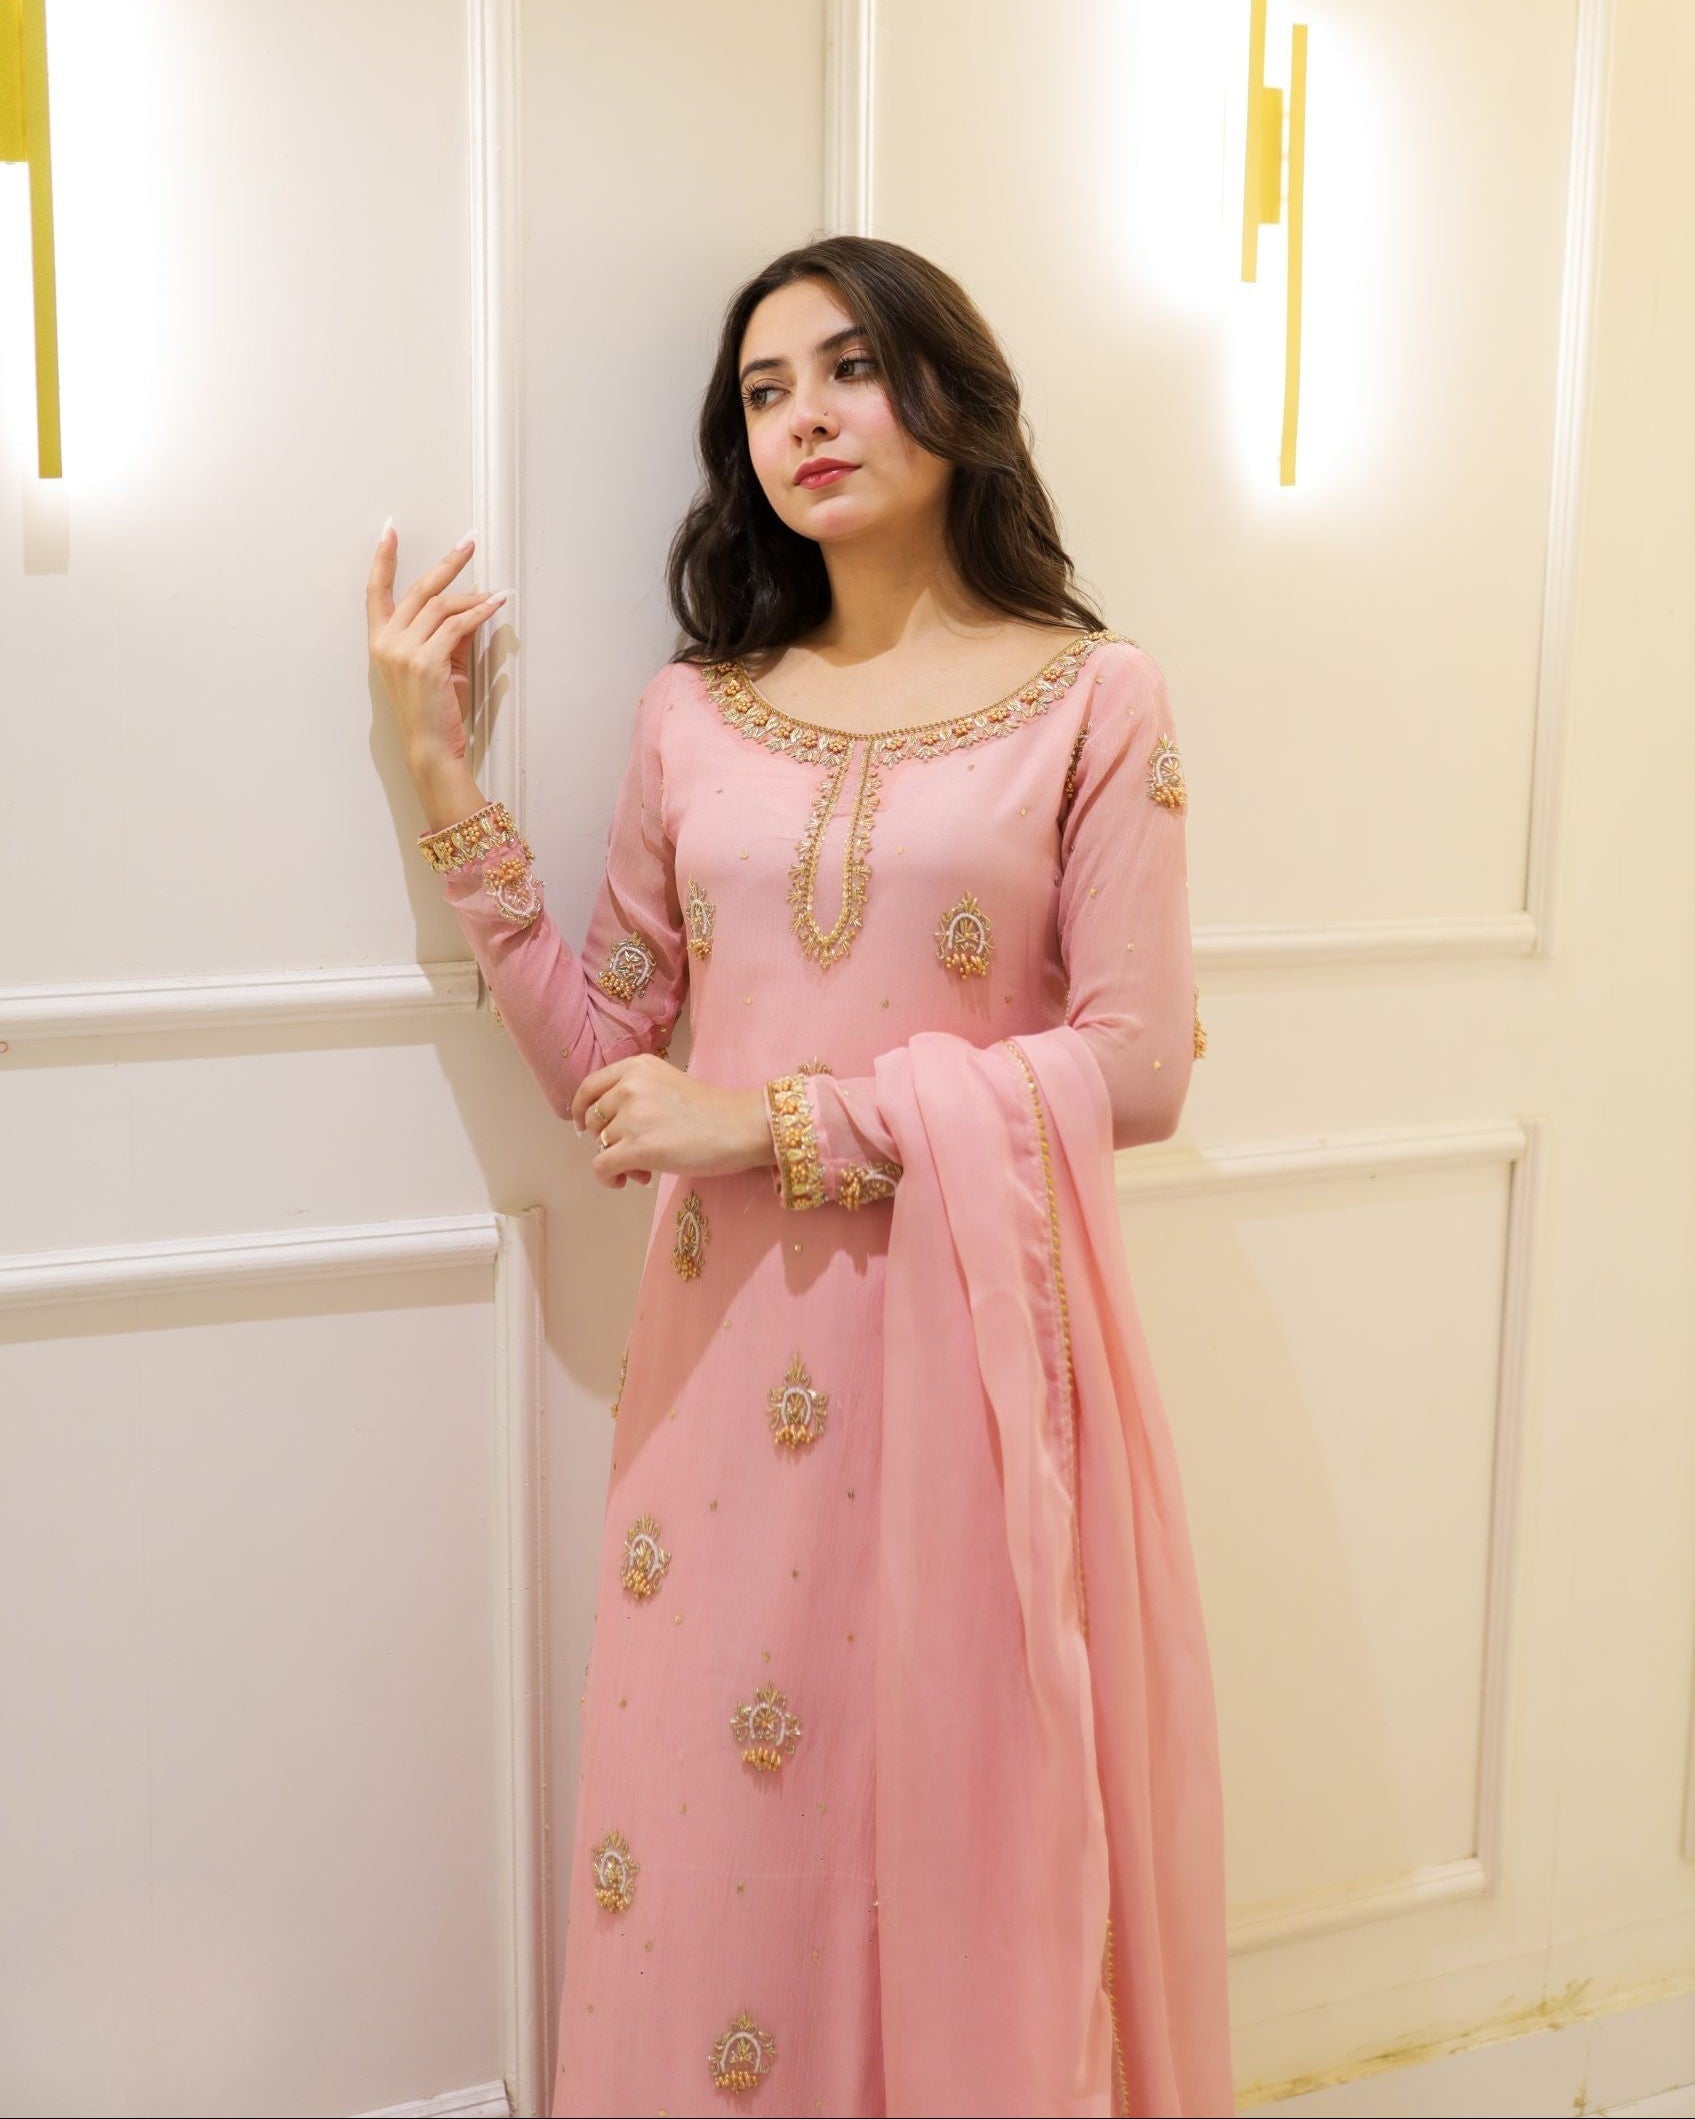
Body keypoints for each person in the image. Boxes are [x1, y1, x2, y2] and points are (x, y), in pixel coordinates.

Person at [367, 234, 1234, 2119]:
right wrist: (438, 771)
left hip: (977, 1360)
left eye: (847, 369)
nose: (805, 419)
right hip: (723, 1368)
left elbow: (1138, 1066)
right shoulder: (700, 712)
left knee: (947, 1812)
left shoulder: (1095, 699)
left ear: (954, 395)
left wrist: (766, 1125)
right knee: (713, 1836)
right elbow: (614, 1057)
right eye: (764, 391)